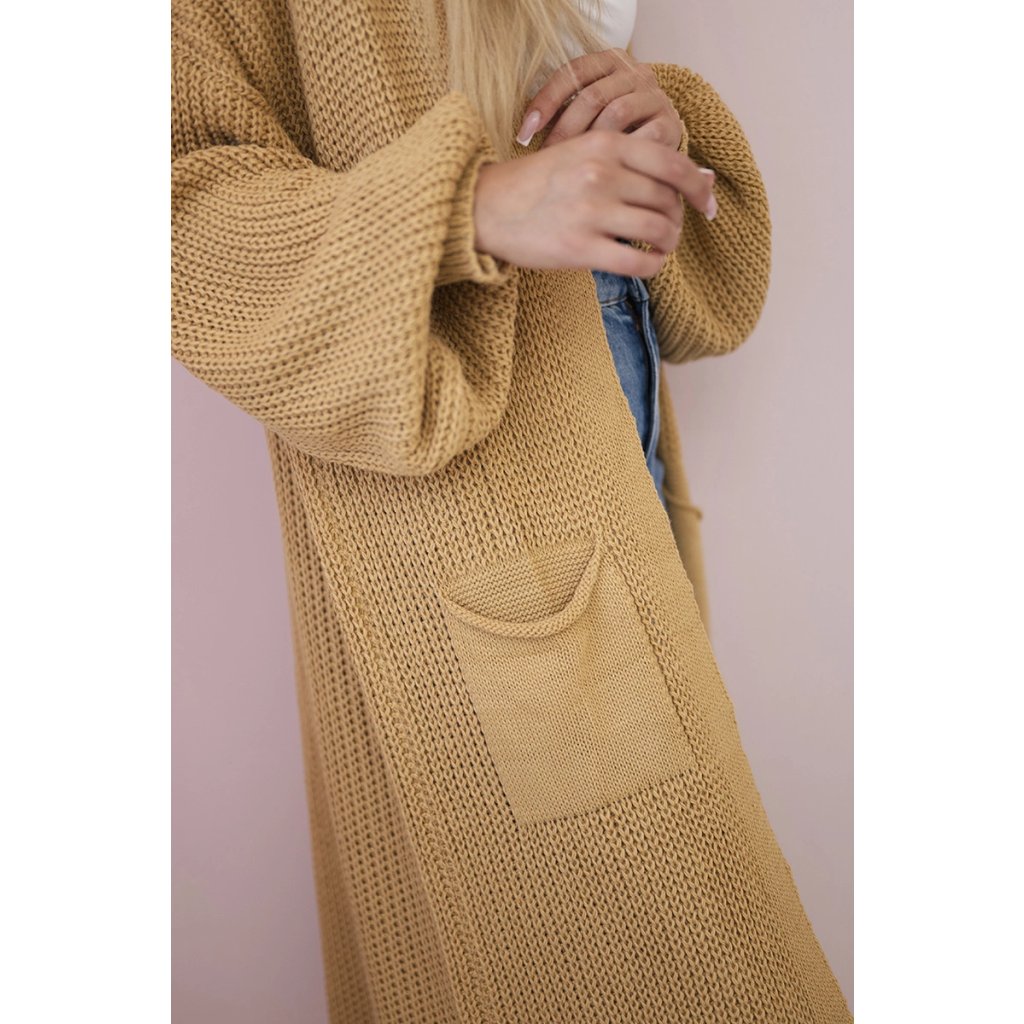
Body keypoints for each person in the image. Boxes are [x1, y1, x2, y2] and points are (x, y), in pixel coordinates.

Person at [171, 1, 852, 1021]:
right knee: (653, 966)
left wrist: (646, 133)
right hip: (484, 517)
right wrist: (471, 206)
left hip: (612, 424)